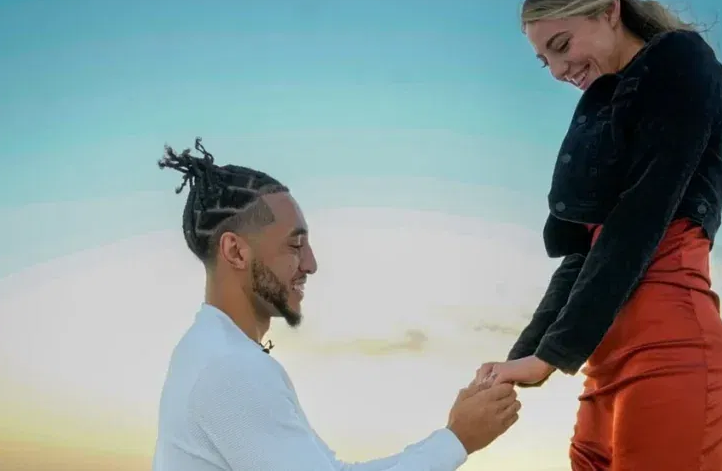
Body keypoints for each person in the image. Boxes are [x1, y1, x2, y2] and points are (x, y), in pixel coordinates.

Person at [473, 0, 722, 471]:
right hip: (603, 367)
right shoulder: (605, 104)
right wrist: (525, 357)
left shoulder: (679, 62)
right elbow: (583, 254)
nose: (555, 70)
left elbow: (640, 218)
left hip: (670, 354)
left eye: (561, 44)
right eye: (543, 59)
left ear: (608, 10)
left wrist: (553, 354)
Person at [152, 138, 521, 471]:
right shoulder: (230, 368)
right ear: (235, 251)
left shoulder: (211, 351)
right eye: (295, 246)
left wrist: (456, 438)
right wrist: (457, 439)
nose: (311, 264)